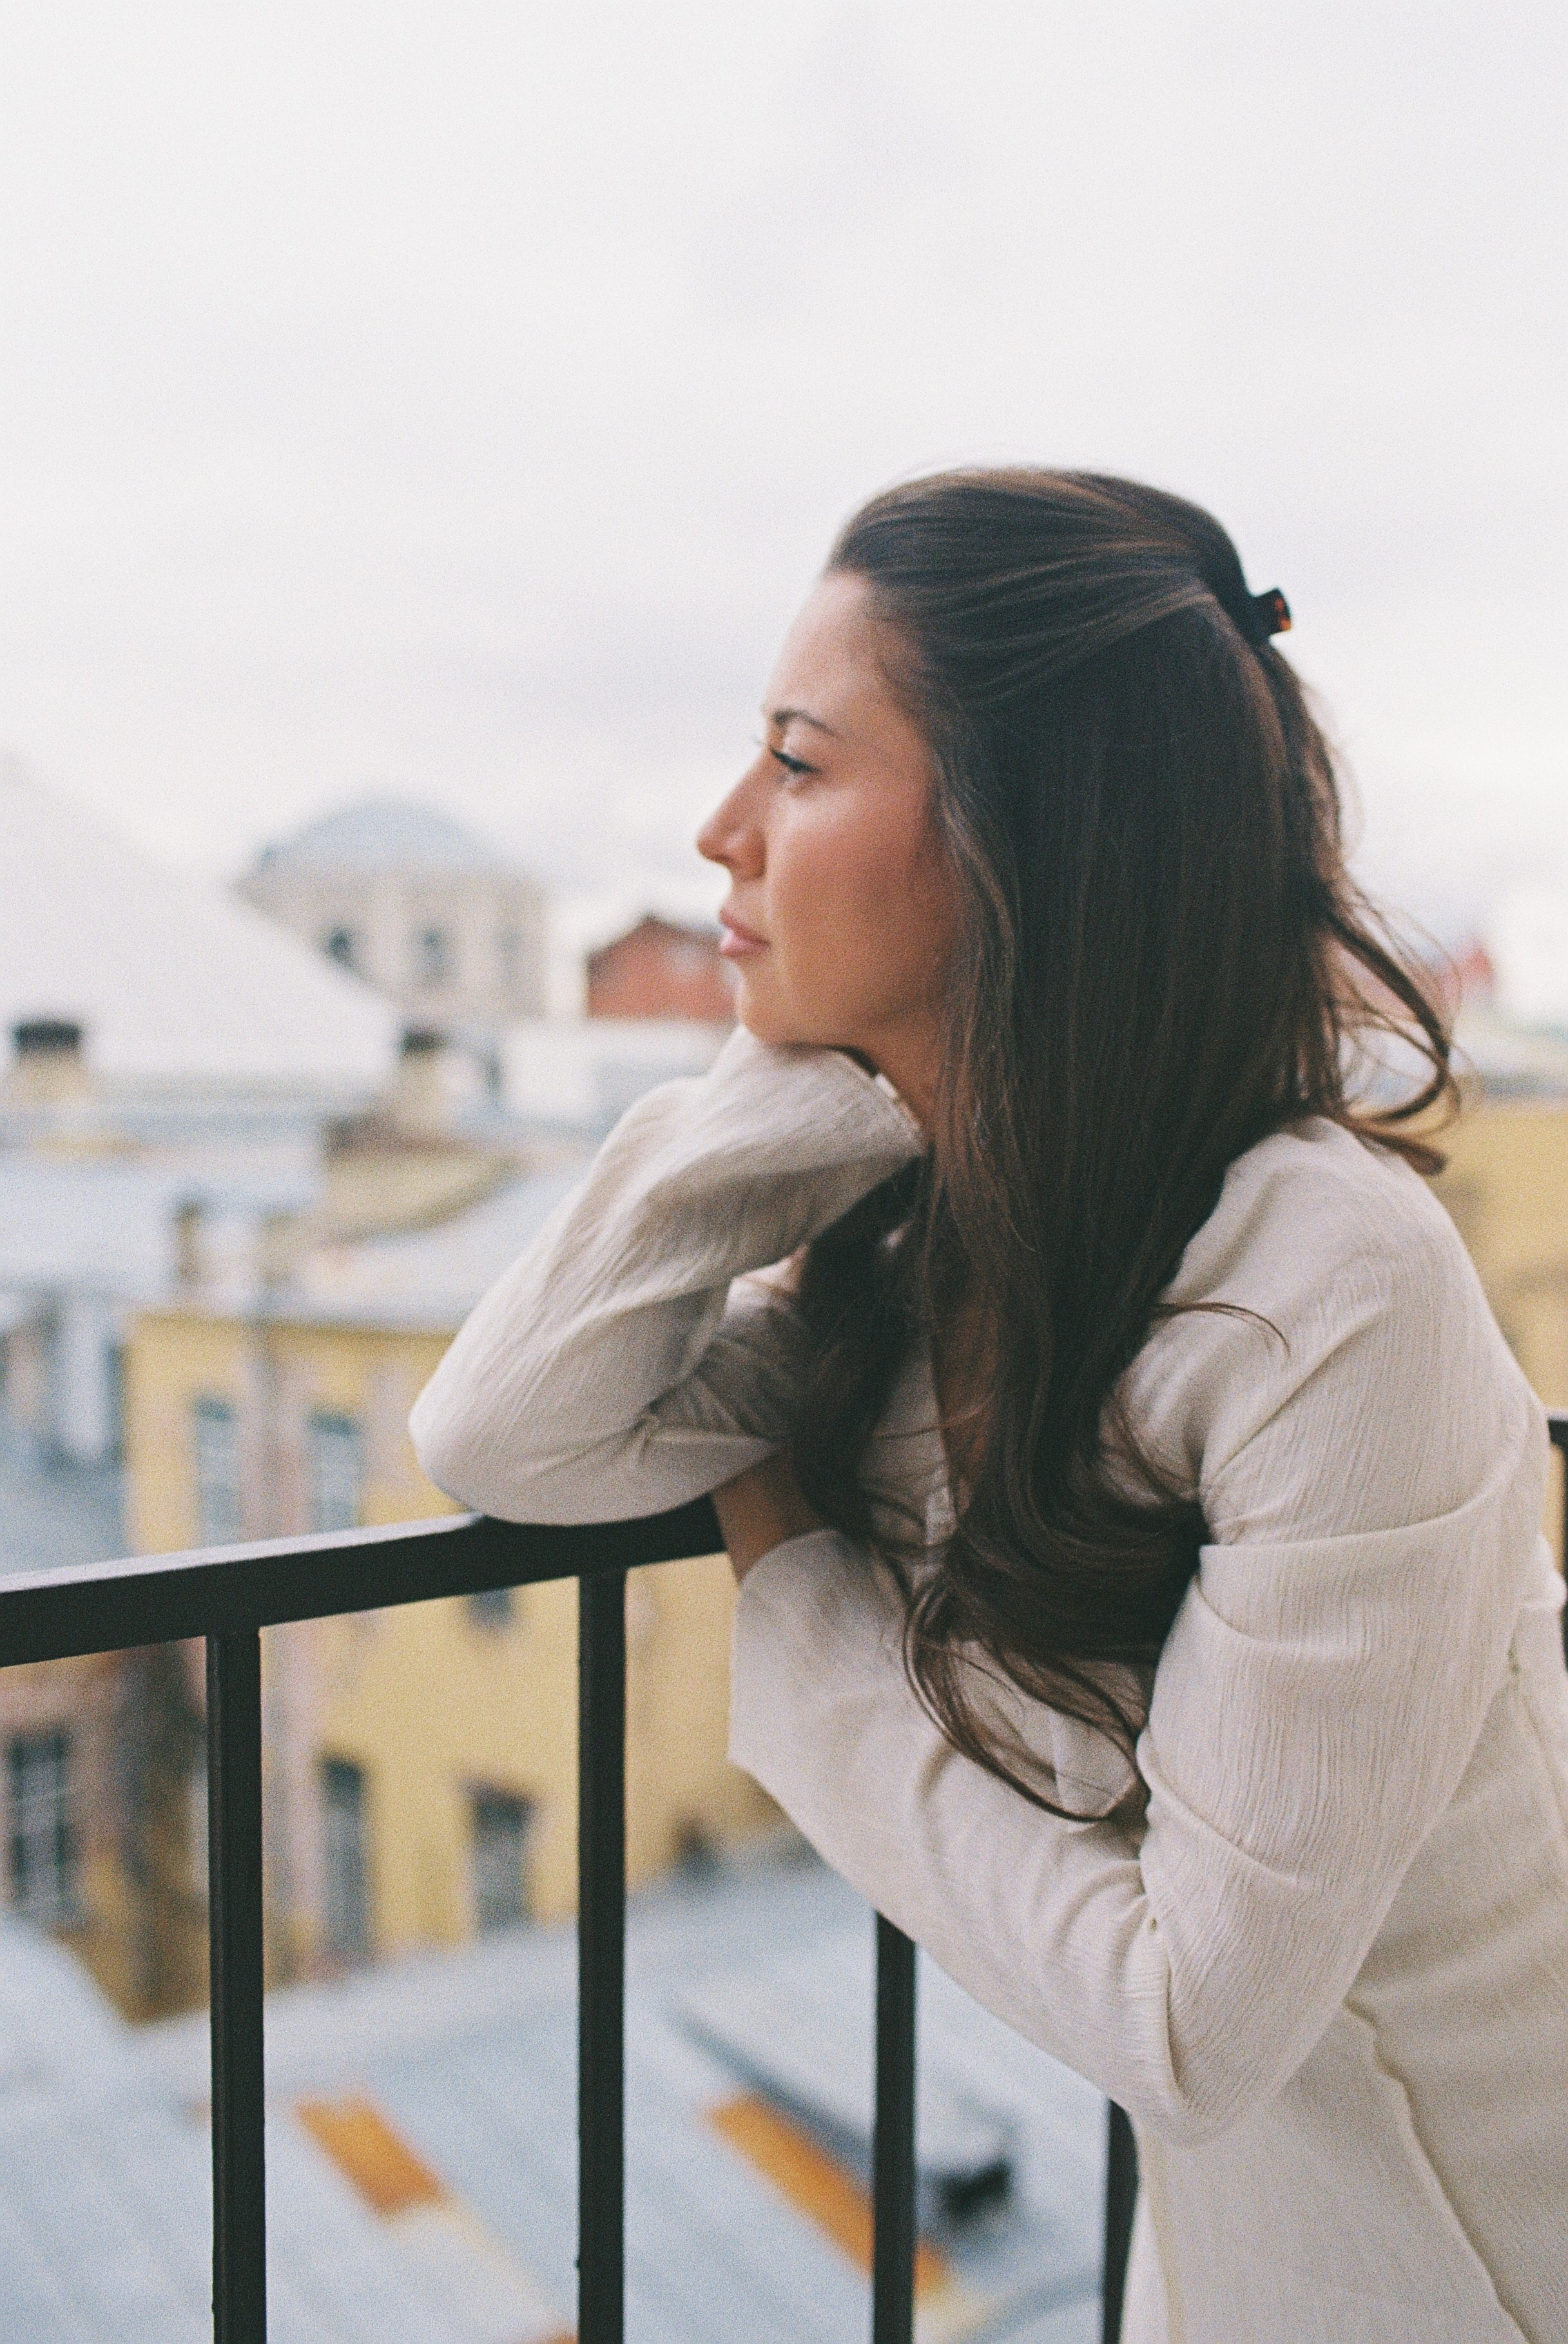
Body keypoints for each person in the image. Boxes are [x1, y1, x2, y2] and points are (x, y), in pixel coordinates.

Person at [410, 470, 1568, 2343]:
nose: (719, 833)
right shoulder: (930, 1240)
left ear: (1022, 840)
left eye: (798, 765)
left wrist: (802, 1600)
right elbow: (510, 1432)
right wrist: (785, 1100)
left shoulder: (1331, 1284)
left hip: (1481, 2257)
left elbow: (1185, 2023)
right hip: (1232, 2259)